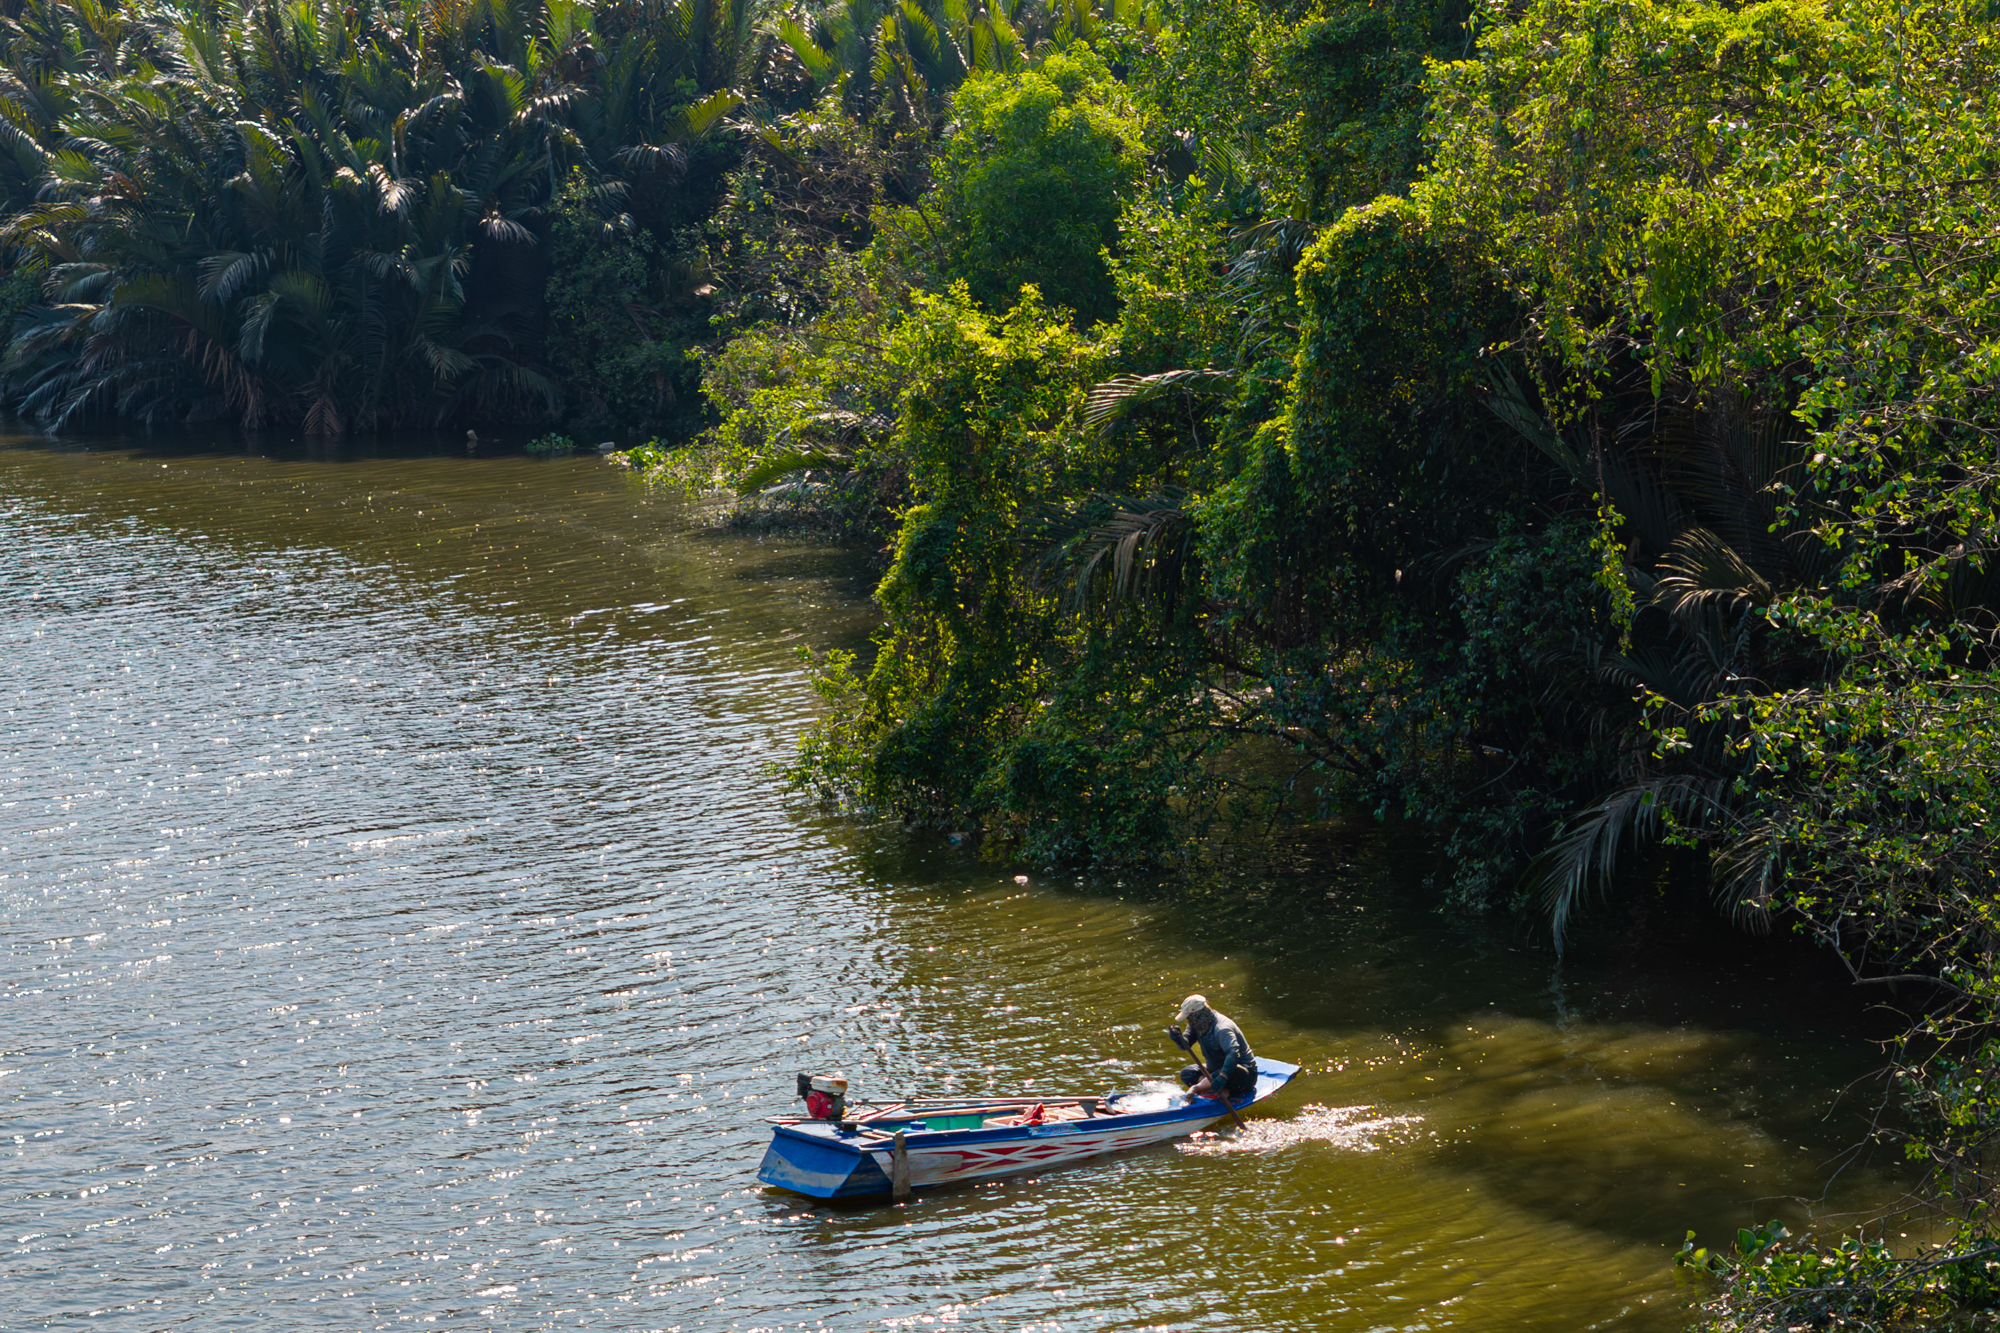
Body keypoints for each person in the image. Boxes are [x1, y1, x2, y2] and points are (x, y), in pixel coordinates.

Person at [1168, 994, 1258, 1100]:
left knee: (1232, 1070)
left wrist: (1222, 1077)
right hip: (1215, 1069)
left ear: (1198, 1015)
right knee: (1187, 1073)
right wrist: (1178, 1039)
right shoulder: (1197, 1024)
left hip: (1242, 1074)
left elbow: (1233, 1054)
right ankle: (1217, 1088)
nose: (1189, 1021)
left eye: (1189, 1018)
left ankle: (1199, 1088)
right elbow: (1185, 1045)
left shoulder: (1222, 1028)